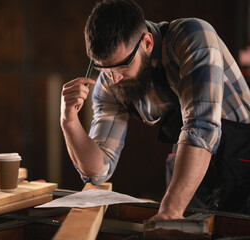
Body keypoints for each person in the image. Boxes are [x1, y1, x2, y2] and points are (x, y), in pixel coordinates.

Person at [60, 0, 250, 220]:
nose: (114, 78)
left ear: (147, 43)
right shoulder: (109, 81)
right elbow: (98, 171)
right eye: (103, 68)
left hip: (242, 165)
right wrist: (69, 121)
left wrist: (170, 210)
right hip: (194, 174)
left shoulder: (192, 37)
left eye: (122, 66)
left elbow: (201, 129)